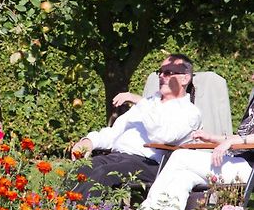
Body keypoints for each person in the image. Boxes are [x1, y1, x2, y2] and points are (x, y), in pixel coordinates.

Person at [119, 93, 254, 210]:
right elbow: (243, 137)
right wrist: (212, 138)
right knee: (181, 179)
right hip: (237, 160)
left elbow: (241, 141)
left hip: (249, 168)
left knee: (181, 156)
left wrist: (230, 143)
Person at [70, 54, 201, 201]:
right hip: (117, 157)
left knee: (103, 173)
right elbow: (115, 132)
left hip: (149, 164)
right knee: (81, 168)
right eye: (161, 72)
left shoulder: (189, 112)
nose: (162, 77)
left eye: (168, 72)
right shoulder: (148, 103)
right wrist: (89, 141)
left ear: (185, 78)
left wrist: (139, 101)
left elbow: (163, 136)